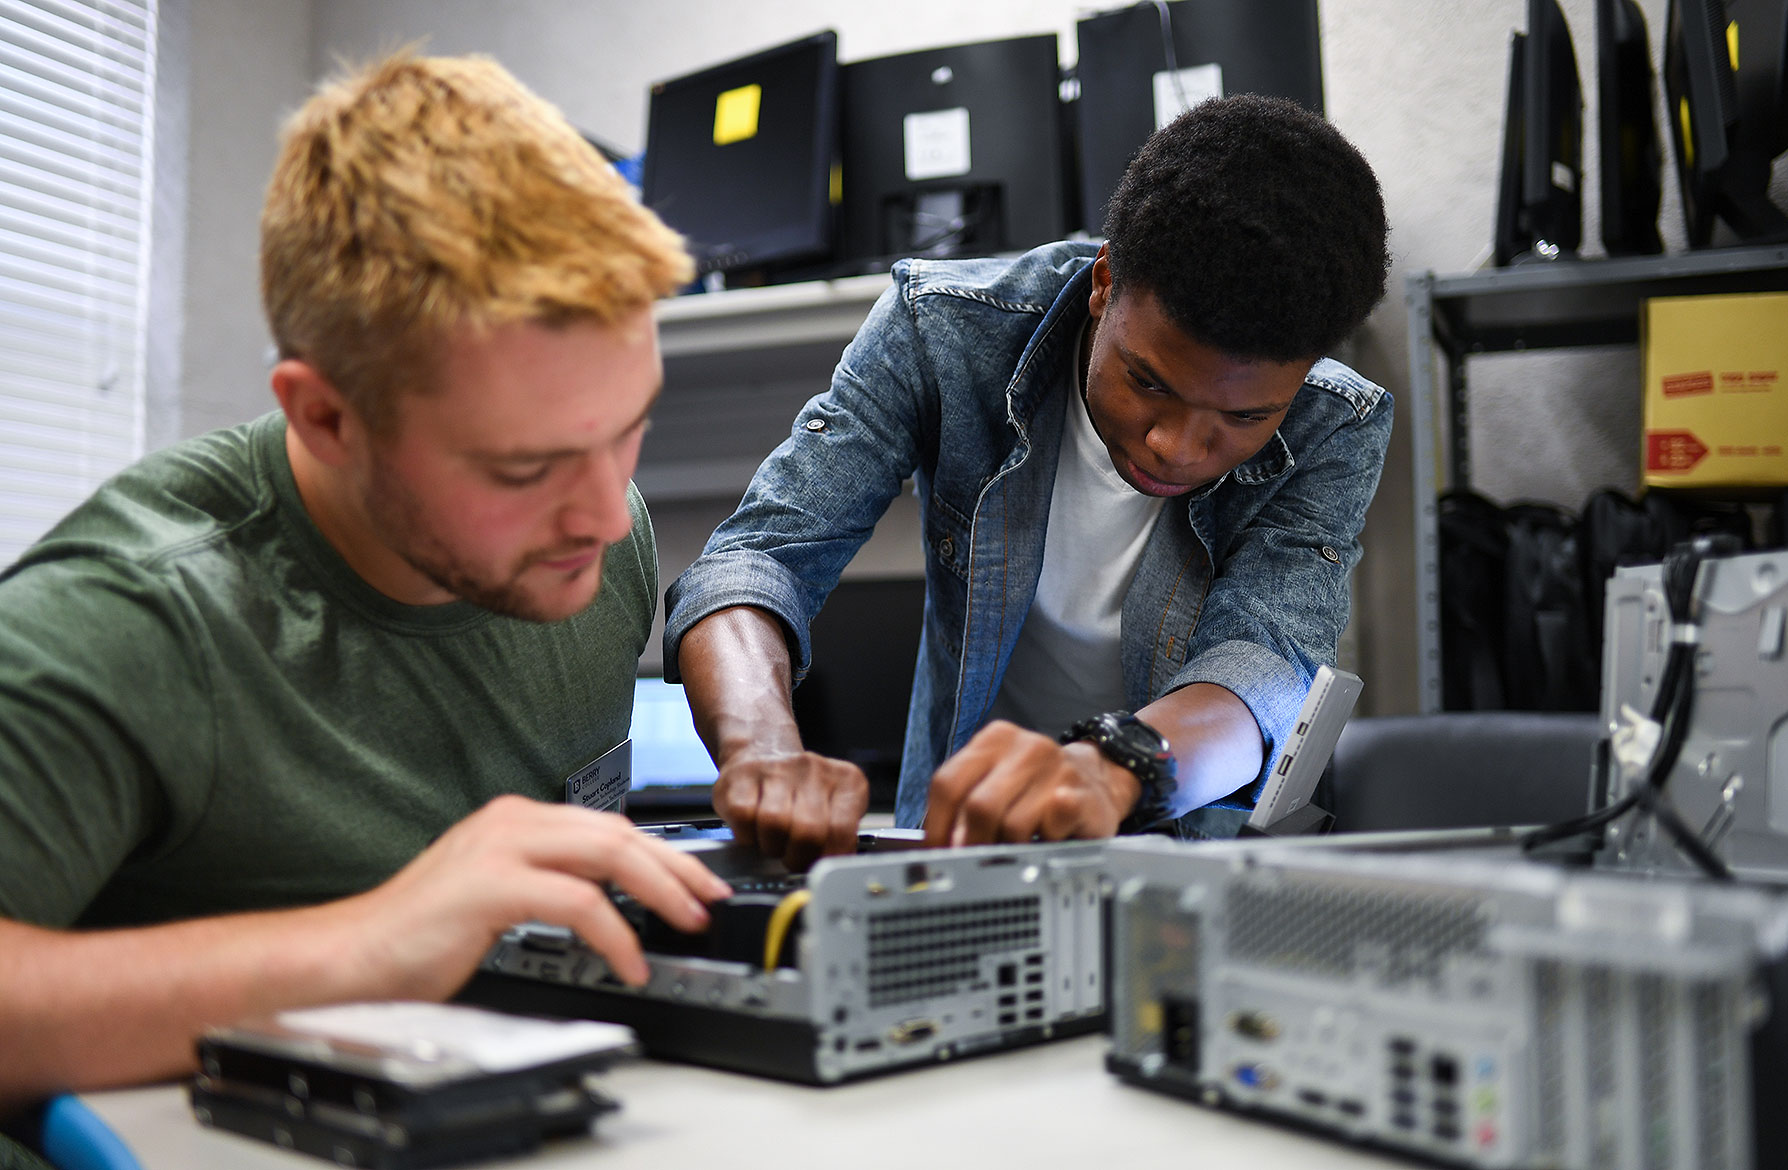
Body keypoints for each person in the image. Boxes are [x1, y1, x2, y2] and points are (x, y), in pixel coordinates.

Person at [0, 53, 733, 1109]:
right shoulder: (133, 619)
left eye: (629, 432)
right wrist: (371, 944)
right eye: (522, 469)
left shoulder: (598, 547)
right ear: (326, 417)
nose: (605, 512)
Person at [668, 95, 1393, 868]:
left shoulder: (1335, 424)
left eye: (1243, 418)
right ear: (1104, 282)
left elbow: (1268, 665)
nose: (1176, 447)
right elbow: (760, 558)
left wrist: (1115, 766)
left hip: (1193, 866)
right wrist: (764, 749)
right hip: (952, 847)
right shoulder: (940, 331)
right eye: (1149, 383)